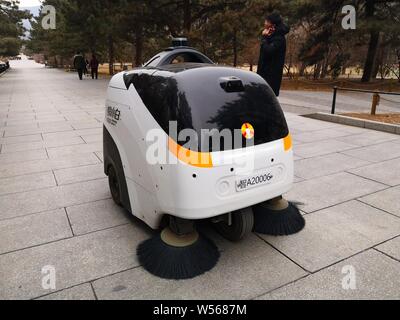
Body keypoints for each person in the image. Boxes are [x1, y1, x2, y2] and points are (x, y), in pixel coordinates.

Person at [257, 13, 290, 97]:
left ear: (273, 24)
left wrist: (264, 38)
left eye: (267, 21)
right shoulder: (272, 35)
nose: (265, 23)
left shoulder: (279, 38)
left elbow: (269, 50)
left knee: (267, 99)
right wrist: (266, 37)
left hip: (271, 76)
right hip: (264, 73)